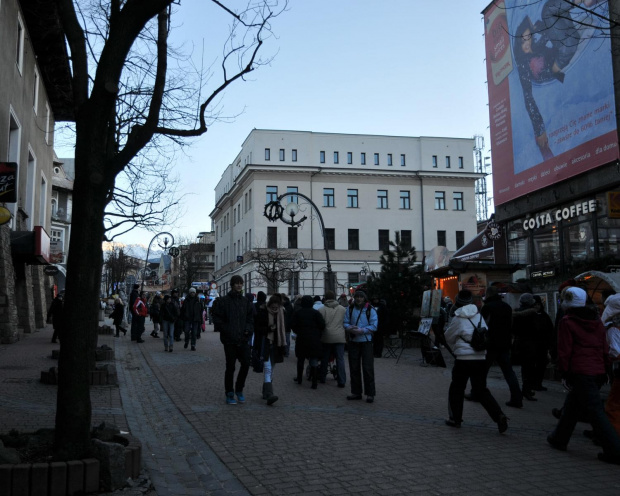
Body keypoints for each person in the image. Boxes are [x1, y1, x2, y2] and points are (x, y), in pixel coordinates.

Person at [547, 287, 620, 465]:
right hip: (596, 370)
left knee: (596, 412)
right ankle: (559, 438)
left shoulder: (568, 321)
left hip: (580, 370)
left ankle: (615, 451)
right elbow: (603, 347)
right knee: (573, 406)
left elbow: (565, 350)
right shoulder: (596, 321)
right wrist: (604, 368)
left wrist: (564, 371)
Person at [444, 289, 508, 433]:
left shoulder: (458, 318)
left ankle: (455, 419)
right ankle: (499, 415)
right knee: (481, 390)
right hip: (480, 357)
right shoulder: (479, 316)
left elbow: (448, 337)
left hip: (463, 359)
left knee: (457, 388)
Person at [213, 275, 254, 405]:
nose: (239, 285)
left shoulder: (245, 302)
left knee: (246, 363)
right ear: (232, 285)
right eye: (236, 283)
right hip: (229, 340)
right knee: (230, 367)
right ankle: (229, 392)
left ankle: (239, 389)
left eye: (240, 283)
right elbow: (217, 318)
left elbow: (250, 318)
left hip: (243, 339)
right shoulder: (224, 301)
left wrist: (248, 329)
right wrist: (226, 330)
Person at [480, 285, 522, 408]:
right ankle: (517, 397)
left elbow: (483, 325)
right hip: (505, 343)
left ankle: (478, 393)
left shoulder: (487, 307)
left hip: (491, 343)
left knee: (482, 371)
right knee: (509, 372)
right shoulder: (506, 307)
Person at [344, 289, 377, 403]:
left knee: (367, 368)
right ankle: (356, 392)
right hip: (354, 341)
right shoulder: (350, 308)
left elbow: (374, 325)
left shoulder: (370, 310)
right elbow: (345, 322)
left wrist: (362, 330)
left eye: (361, 297)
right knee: (354, 367)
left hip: (366, 341)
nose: (358, 299)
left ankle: (370, 393)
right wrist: (349, 328)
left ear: (364, 298)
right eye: (357, 297)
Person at [255, 293, 287, 405]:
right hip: (266, 343)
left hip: (277, 344)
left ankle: (265, 391)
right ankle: (269, 394)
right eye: (273, 307)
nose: (274, 309)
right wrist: (268, 328)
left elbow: (285, 329)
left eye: (276, 307)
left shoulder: (282, 313)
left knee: (272, 369)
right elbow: (258, 328)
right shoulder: (263, 312)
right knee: (267, 368)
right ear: (269, 305)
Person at [292, 295, 326, 389]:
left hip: (302, 339)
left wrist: (298, 331)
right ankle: (314, 382)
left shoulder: (298, 313)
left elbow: (293, 325)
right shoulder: (316, 313)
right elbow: (322, 325)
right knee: (314, 360)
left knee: (301, 360)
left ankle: (299, 379)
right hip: (314, 339)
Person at [512, 293, 539, 401]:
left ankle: (525, 388)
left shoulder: (516, 313)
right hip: (530, 343)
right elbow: (537, 329)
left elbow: (513, 329)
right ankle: (527, 389)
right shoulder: (533, 314)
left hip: (519, 342)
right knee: (530, 367)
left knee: (524, 367)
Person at [319, 290, 347, 388]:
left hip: (326, 336)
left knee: (325, 358)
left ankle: (322, 377)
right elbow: (345, 322)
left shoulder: (321, 310)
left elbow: (320, 324)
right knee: (340, 359)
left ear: (325, 298)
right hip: (339, 336)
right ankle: (342, 380)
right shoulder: (342, 309)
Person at [602, 293, 620, 436]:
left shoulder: (613, 329)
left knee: (613, 406)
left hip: (618, 369)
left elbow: (614, 351)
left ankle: (613, 437)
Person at [532, 295, 554, 392]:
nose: (537, 307)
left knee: (541, 365)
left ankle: (538, 383)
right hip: (533, 345)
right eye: (535, 305)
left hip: (543, 345)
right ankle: (533, 383)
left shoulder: (544, 316)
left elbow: (550, 330)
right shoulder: (531, 315)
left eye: (538, 304)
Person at [281, 293, 294, 357]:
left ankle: (283, 351)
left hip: (282, 324)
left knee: (282, 338)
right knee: (287, 339)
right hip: (288, 324)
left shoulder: (281, 305)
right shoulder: (289, 305)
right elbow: (292, 315)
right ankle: (286, 352)